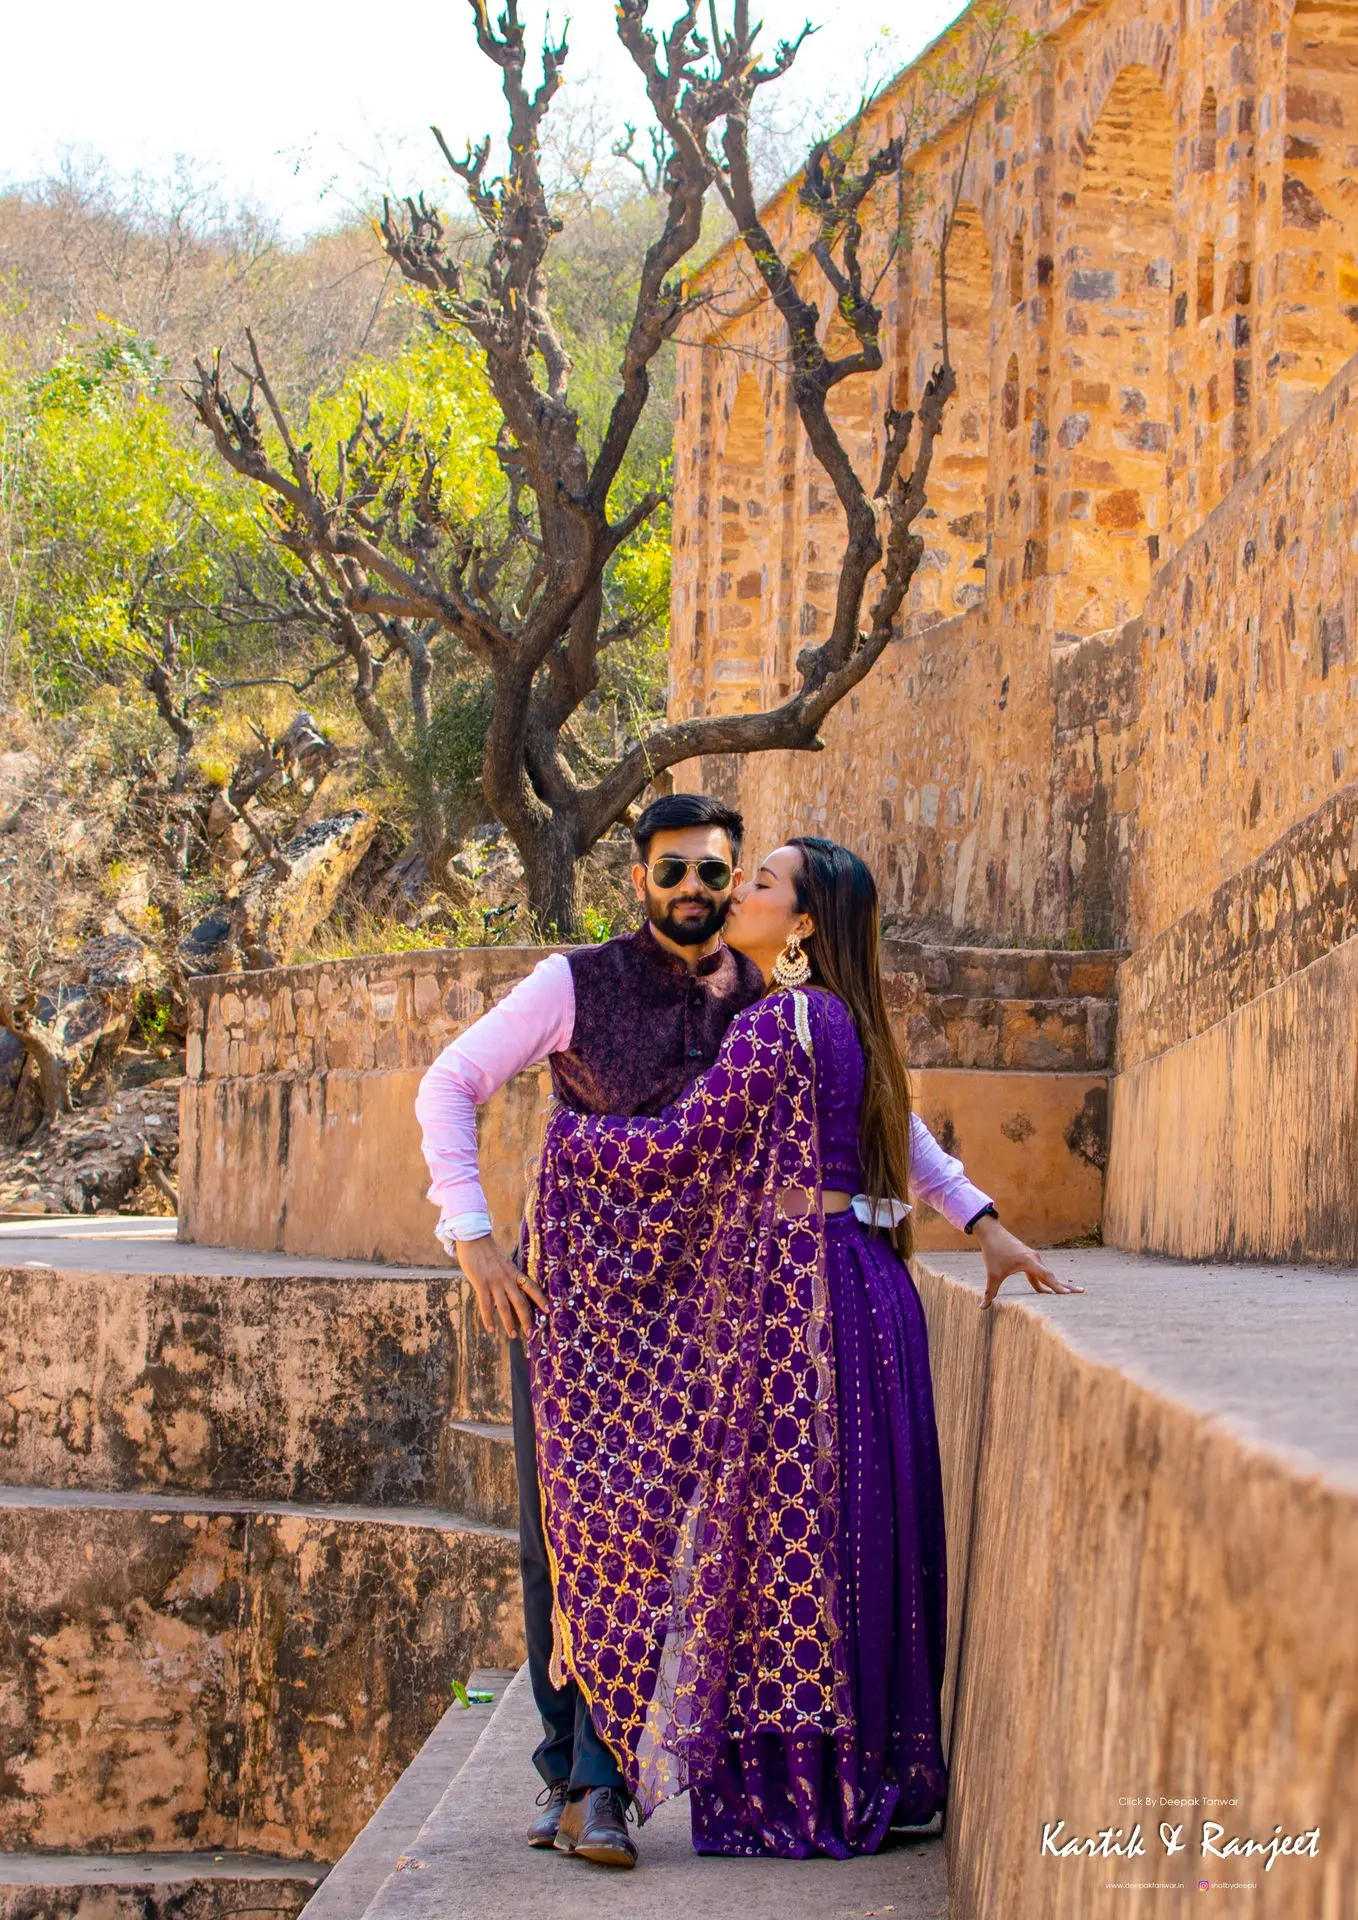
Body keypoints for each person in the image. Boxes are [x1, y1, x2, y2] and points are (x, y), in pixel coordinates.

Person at [415, 806, 1060, 1870]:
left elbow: (882, 1126)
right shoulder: (572, 983)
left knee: (677, 1539)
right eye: (675, 869)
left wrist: (976, 1215)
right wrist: (473, 1233)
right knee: (571, 1536)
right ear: (639, 877)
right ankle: (575, 1773)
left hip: (709, 1313)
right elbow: (451, 1082)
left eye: (719, 871)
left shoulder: (768, 1000)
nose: (697, 886)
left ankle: (606, 1785)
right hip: (582, 1305)